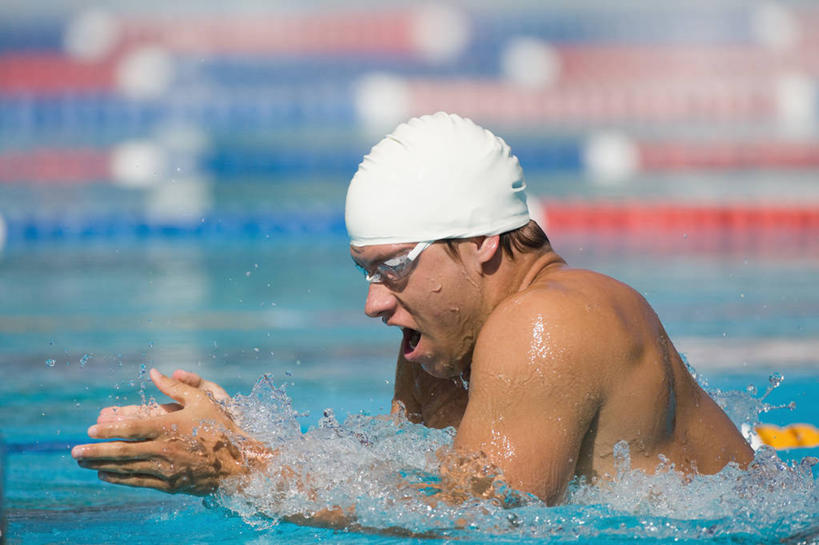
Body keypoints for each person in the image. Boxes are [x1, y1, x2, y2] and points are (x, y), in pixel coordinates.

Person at [72, 112, 753, 509]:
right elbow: (404, 484)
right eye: (366, 271)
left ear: (483, 241)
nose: (372, 301)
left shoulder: (545, 324)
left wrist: (236, 468)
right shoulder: (445, 342)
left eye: (393, 267)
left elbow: (478, 521)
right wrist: (240, 434)